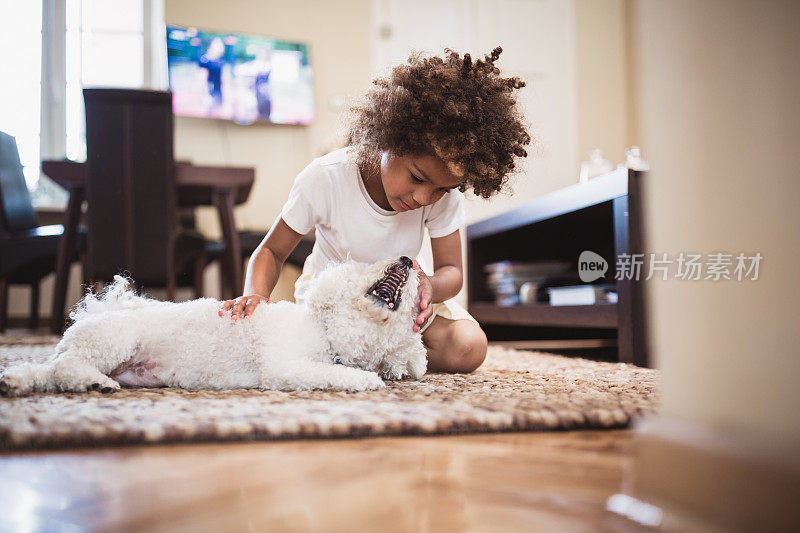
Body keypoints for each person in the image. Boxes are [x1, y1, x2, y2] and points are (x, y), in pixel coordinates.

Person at [218, 47, 531, 373]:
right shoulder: (325, 177)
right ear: (388, 140)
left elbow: (452, 270)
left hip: (402, 308)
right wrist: (256, 296)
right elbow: (270, 250)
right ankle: (364, 354)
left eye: (441, 188)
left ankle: (378, 353)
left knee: (469, 346)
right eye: (417, 177)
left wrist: (430, 287)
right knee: (301, 346)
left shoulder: (443, 198)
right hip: (334, 308)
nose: (425, 197)